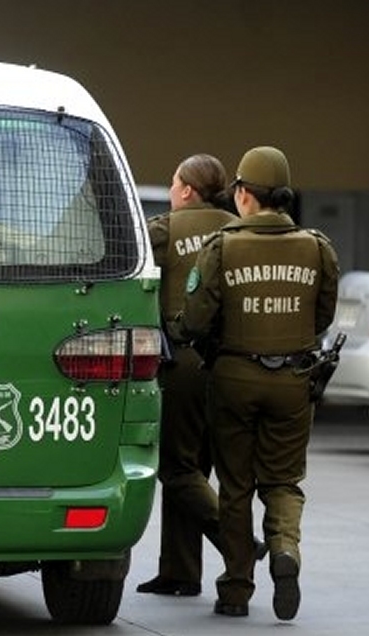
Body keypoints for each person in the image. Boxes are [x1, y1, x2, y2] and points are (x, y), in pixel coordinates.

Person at [170, 146, 339, 619]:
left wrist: (180, 330)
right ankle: (285, 549)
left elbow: (198, 320)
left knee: (236, 486)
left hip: (233, 379)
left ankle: (236, 589)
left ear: (243, 194)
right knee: (283, 480)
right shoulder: (317, 246)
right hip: (294, 380)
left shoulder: (223, 246)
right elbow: (321, 315)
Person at [137, 154, 237, 598]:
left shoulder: (165, 230)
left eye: (174, 182)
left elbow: (126, 259)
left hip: (185, 363)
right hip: (233, 365)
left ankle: (235, 544)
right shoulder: (239, 230)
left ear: (187, 191)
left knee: (177, 466)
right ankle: (180, 572)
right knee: (200, 469)